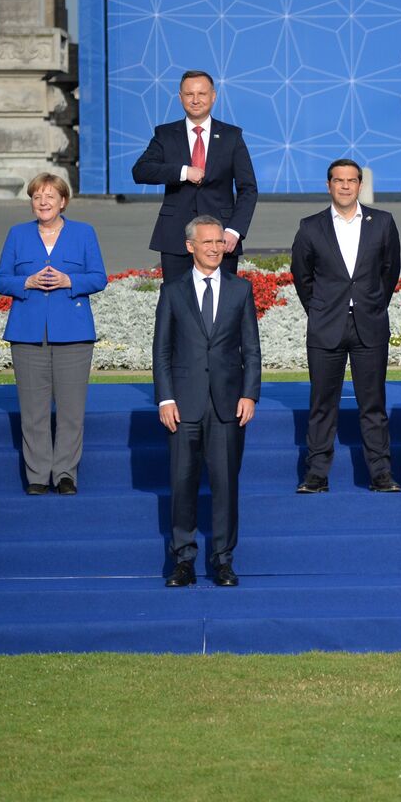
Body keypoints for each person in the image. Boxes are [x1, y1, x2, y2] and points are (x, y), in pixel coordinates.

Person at [152, 216, 261, 588]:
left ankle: (223, 560)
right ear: (190, 246)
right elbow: (162, 351)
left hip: (229, 405)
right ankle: (183, 560)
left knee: (225, 485)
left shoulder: (240, 290)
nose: (215, 248)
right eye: (208, 242)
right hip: (184, 405)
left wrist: (249, 394)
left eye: (219, 242)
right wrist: (165, 398)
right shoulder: (172, 291)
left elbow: (252, 350)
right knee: (182, 484)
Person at [290, 159, 401, 494]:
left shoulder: (382, 222)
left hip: (369, 324)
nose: (345, 186)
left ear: (359, 185)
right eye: (338, 181)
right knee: (322, 403)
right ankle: (316, 474)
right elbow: (302, 275)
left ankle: (381, 473)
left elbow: (389, 271)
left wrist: (372, 304)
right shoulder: (310, 227)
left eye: (351, 180)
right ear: (328, 185)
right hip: (326, 326)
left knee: (373, 404)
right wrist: (321, 309)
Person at [0, 174, 108, 495]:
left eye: (50, 197)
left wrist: (70, 280)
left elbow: (99, 277)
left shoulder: (84, 233)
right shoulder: (18, 235)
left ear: (63, 202)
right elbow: (1, 280)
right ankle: (38, 475)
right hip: (28, 332)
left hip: (73, 332)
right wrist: (24, 283)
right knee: (33, 410)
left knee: (71, 409)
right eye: (37, 197)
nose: (43, 202)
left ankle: (66, 473)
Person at [131, 70, 258, 278]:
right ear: (180, 97)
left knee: (221, 303)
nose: (196, 100)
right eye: (189, 94)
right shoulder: (165, 134)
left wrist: (234, 230)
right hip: (176, 236)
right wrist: (183, 171)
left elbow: (248, 189)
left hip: (221, 238)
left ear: (213, 96)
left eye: (202, 94)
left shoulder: (231, 136)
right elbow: (141, 171)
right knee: (177, 302)